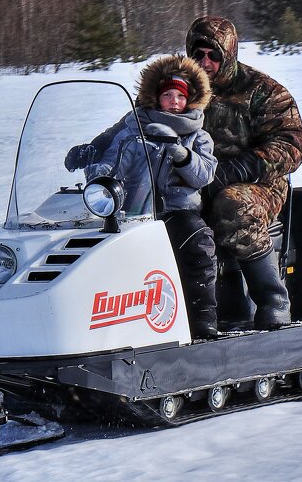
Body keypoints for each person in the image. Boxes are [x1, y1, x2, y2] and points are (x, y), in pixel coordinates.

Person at [64, 54, 222, 340]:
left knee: (198, 244)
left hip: (178, 210)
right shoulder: (134, 131)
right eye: (167, 95)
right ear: (155, 97)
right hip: (134, 210)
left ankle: (202, 321)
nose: (174, 101)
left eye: (179, 96)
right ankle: (101, 324)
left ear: (191, 99)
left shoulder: (198, 135)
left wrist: (181, 154)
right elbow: (114, 161)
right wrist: (98, 171)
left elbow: (204, 174)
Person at [185, 16, 302, 330]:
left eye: (214, 55)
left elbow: (291, 144)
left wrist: (240, 167)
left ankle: (273, 302)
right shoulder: (178, 89)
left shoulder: (261, 89)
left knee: (232, 205)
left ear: (229, 54)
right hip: (191, 178)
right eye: (198, 54)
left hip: (257, 183)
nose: (206, 62)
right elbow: (141, 124)